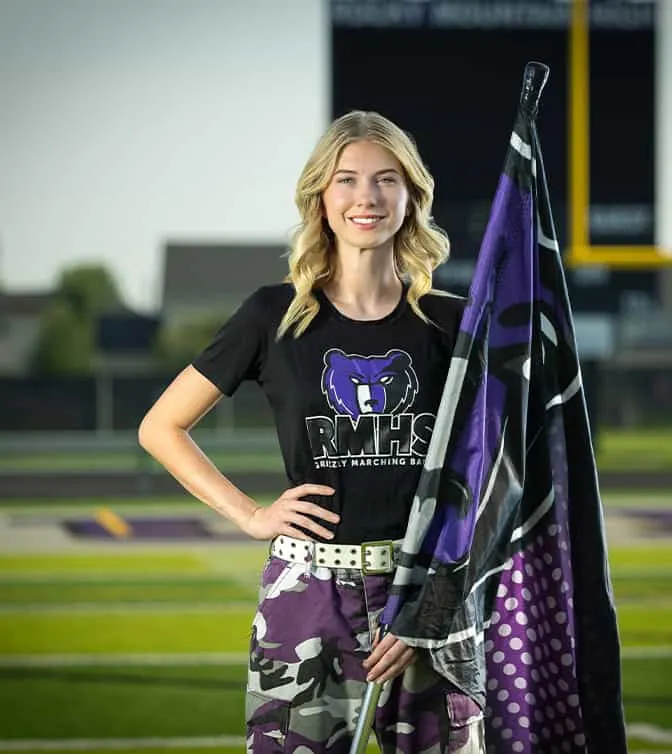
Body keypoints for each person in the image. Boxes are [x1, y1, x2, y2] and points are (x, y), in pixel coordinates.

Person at [138, 110, 485, 754]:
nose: (366, 197)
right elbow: (161, 426)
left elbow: (489, 474)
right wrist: (248, 514)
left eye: (386, 180)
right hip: (308, 595)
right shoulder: (275, 315)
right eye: (347, 179)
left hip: (427, 592)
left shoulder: (453, 324)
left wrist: (433, 604)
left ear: (411, 196)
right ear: (319, 197)